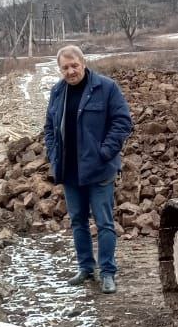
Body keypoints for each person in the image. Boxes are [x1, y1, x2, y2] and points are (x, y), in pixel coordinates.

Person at [43, 45, 133, 293]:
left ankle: (107, 272)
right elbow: (49, 128)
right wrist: (53, 154)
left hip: (99, 170)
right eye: (65, 67)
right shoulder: (58, 92)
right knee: (78, 221)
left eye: (74, 66)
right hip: (70, 170)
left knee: (104, 223)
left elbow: (123, 122)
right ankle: (85, 269)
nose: (71, 71)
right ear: (60, 69)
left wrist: (104, 153)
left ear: (83, 63)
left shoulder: (106, 88)